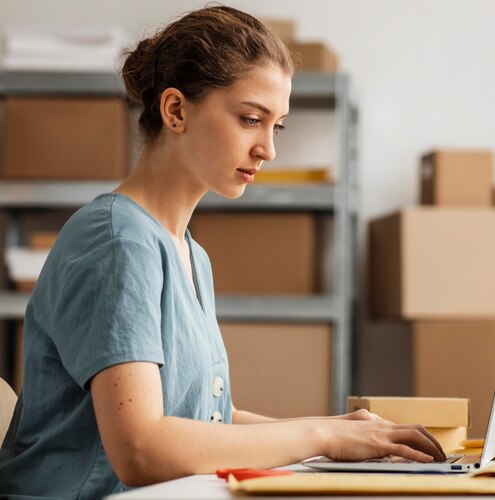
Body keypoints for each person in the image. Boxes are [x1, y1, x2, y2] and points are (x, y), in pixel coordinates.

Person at [0, 5, 445, 498]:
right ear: (175, 111)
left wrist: (339, 433)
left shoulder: (190, 254)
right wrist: (323, 436)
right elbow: (142, 448)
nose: (268, 150)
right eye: (251, 119)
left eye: (276, 127)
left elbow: (200, 419)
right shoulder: (116, 242)